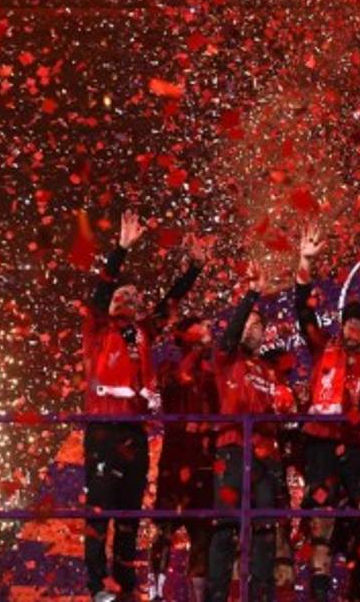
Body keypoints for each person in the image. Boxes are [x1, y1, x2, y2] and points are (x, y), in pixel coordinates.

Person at [82, 211, 200, 602]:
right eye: (123, 296)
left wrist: (194, 269)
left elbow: (171, 302)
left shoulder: (144, 331)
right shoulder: (97, 328)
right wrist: (121, 249)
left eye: (135, 297)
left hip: (134, 432)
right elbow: (101, 290)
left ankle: (125, 585)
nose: (129, 300)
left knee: (130, 513)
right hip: (103, 429)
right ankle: (97, 586)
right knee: (100, 509)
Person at [293, 227, 360, 602]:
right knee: (321, 523)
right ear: (342, 324)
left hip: (358, 445)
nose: (355, 329)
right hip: (321, 442)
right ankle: (319, 594)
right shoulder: (323, 347)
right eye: (351, 322)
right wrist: (305, 262)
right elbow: (303, 312)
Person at [207, 261, 294, 602]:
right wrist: (252, 295)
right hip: (232, 448)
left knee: (265, 531)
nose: (250, 329)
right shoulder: (226, 358)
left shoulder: (270, 373)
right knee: (226, 527)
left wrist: (287, 412)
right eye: (247, 323)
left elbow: (282, 413)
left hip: (266, 457)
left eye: (257, 325)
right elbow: (230, 335)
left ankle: (261, 597)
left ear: (264, 334)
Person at [147, 238, 217, 602]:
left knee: (203, 534)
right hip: (176, 458)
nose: (208, 333)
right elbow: (176, 382)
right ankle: (155, 592)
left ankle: (198, 596)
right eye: (201, 329)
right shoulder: (170, 368)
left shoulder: (214, 372)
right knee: (164, 528)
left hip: (205, 461)